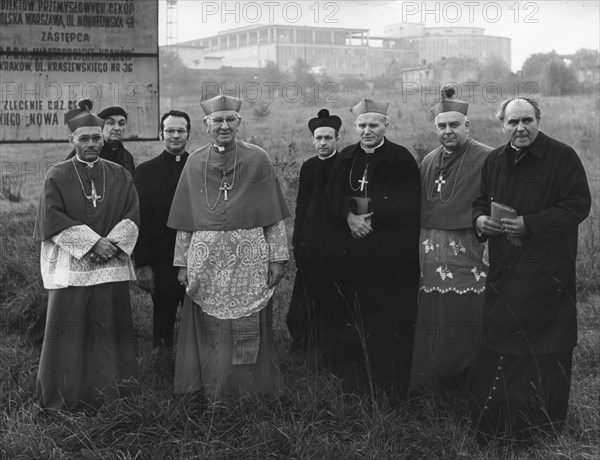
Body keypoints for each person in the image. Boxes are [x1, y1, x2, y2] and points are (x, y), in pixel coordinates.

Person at [471, 97, 591, 439]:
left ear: (539, 120)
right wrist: (480, 220)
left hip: (547, 273)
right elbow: (481, 201)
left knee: (542, 347)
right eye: (512, 122)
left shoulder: (562, 156)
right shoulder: (494, 160)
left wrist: (531, 224)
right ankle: (499, 425)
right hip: (504, 271)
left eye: (527, 120)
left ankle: (540, 428)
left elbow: (578, 205)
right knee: (501, 343)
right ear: (502, 125)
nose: (520, 128)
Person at [167, 95, 290, 400]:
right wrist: (181, 262)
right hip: (205, 259)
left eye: (229, 120)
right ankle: (211, 385)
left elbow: (273, 214)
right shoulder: (195, 162)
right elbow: (185, 219)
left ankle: (247, 388)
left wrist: (278, 258)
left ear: (239, 122)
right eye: (217, 121)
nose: (224, 126)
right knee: (211, 325)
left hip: (249, 257)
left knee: (246, 323)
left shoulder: (258, 159)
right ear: (206, 125)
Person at [33, 99, 140, 412]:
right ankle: (63, 397)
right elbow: (50, 219)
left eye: (96, 138)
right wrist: (93, 244)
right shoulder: (57, 175)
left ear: (103, 138)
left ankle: (109, 395)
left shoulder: (119, 174)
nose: (91, 144)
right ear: (72, 141)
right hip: (73, 266)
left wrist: (113, 244)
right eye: (84, 138)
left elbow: (133, 212)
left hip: (111, 265)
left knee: (108, 327)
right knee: (70, 329)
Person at [321, 98, 421, 398]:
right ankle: (351, 377)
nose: (367, 131)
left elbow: (410, 203)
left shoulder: (401, 159)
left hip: (388, 254)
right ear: (355, 128)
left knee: (386, 317)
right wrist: (349, 218)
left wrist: (371, 221)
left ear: (386, 126)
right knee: (351, 313)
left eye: (373, 125)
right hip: (352, 253)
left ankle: (389, 380)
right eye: (362, 125)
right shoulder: (346, 157)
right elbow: (330, 197)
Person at [409, 86, 492, 393]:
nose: (448, 131)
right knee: (434, 312)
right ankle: (432, 380)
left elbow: (495, 205)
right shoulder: (429, 160)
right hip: (430, 248)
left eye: (454, 125)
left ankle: (465, 383)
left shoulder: (486, 157)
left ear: (467, 126)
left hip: (470, 249)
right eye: (442, 126)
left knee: (465, 313)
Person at [134, 110, 191, 357]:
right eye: (170, 130)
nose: (175, 135)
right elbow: (141, 220)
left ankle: (195, 366)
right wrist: (143, 263)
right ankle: (162, 363)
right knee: (163, 318)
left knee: (197, 320)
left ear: (189, 133)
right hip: (162, 260)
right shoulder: (145, 171)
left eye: (180, 130)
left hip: (197, 257)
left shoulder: (201, 166)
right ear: (161, 134)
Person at [287, 109, 341, 354]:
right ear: (312, 140)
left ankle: (330, 347)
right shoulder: (308, 167)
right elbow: (300, 207)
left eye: (328, 138)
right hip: (309, 246)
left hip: (335, 247)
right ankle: (304, 345)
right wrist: (298, 243)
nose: (322, 143)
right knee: (304, 301)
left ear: (337, 139)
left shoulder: (344, 165)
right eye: (318, 138)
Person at [66, 105, 135, 176]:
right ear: (100, 128)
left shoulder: (127, 156)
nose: (117, 128)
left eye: (121, 123)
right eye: (111, 123)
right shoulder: (86, 151)